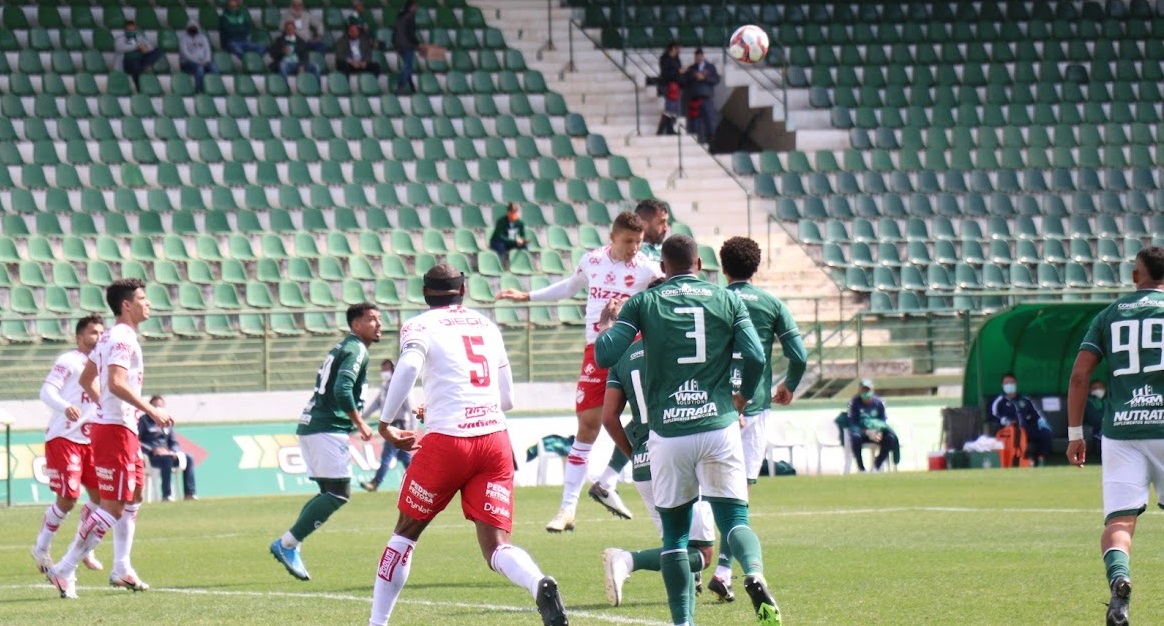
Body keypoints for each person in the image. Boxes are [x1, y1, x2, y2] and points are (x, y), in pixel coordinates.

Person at [594, 234, 780, 626]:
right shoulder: (726, 299)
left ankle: (683, 622)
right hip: (718, 424)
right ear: (699, 265)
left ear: (663, 268)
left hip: (669, 434)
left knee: (675, 539)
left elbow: (606, 354)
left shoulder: (645, 302)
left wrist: (610, 324)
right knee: (735, 522)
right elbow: (758, 355)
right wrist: (743, 397)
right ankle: (754, 573)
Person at [369, 264, 568, 626]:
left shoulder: (419, 325)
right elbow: (507, 397)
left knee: (405, 534)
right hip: (494, 442)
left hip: (448, 442)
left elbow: (410, 365)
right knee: (496, 546)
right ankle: (538, 582)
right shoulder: (486, 325)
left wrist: (385, 421)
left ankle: (377, 623)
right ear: (463, 291)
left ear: (425, 294)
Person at [497, 212, 662, 532]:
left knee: (647, 418)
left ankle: (622, 484)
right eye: (629, 241)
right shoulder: (592, 261)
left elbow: (662, 295)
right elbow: (569, 287)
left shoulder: (646, 268)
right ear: (613, 237)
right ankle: (567, 510)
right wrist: (528, 296)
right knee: (588, 424)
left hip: (635, 350)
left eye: (639, 242)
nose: (634, 248)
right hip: (598, 348)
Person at [47, 279, 174, 599]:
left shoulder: (110, 337)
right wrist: (150, 411)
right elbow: (116, 383)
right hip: (116, 430)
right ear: (126, 305)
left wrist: (104, 406)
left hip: (119, 427)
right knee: (113, 506)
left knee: (133, 495)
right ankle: (64, 568)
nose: (149, 304)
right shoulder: (120, 338)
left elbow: (90, 378)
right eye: (143, 298)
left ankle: (121, 567)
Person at [599, 278, 719, 607]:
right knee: (702, 553)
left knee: (675, 542)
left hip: (643, 465)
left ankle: (680, 585)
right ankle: (628, 561)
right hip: (681, 453)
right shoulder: (679, 349)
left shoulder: (623, 355)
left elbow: (609, 416)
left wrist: (634, 453)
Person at [1066, 245, 1164, 626]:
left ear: (1135, 276)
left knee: (1119, 524)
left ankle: (1120, 578)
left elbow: (1079, 375)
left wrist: (1076, 434)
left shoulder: (1108, 315)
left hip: (1122, 432)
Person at [712, 236, 808, 598]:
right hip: (752, 406)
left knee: (706, 488)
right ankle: (723, 570)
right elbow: (798, 354)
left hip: (714, 407)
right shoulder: (771, 304)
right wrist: (789, 385)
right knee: (740, 493)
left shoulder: (715, 299)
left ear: (723, 267)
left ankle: (700, 561)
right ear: (756, 267)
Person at [269, 303, 381, 581]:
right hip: (327, 427)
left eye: (379, 319)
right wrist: (360, 422)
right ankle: (287, 543)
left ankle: (290, 544)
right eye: (372, 319)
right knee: (338, 493)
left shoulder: (344, 347)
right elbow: (343, 388)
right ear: (356, 325)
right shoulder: (357, 349)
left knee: (328, 493)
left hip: (313, 425)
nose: (379, 324)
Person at [587, 199, 672, 515]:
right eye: (662, 221)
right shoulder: (650, 264)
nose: (665, 227)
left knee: (640, 415)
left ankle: (608, 478)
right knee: (651, 413)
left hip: (623, 344)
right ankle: (612, 477)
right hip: (640, 344)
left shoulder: (648, 261)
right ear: (645, 221)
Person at [32, 315, 106, 576]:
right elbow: (46, 392)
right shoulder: (69, 361)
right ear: (79, 337)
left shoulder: (104, 364)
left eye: (101, 332)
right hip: (65, 438)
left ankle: (83, 547)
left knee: (101, 498)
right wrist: (66, 407)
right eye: (93, 333)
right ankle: (41, 547)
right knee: (68, 498)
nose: (98, 337)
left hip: (92, 441)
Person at [360, 359, 413, 492]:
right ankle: (420, 482)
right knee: (405, 458)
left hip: (399, 426)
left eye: (386, 369)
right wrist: (360, 419)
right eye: (382, 370)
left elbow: (411, 410)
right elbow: (375, 404)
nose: (384, 372)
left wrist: (412, 430)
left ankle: (375, 483)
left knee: (387, 455)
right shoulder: (384, 388)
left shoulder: (400, 387)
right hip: (388, 425)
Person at [138, 395, 197, 502]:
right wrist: (153, 449)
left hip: (168, 454)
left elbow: (173, 442)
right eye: (155, 406)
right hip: (152, 457)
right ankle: (167, 495)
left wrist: (174, 451)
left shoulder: (166, 421)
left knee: (189, 458)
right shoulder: (143, 421)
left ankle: (190, 493)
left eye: (160, 406)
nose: (158, 408)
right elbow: (137, 441)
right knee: (167, 460)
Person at [989, 372, 1053, 466]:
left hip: (1025, 429)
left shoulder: (1024, 400)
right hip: (1010, 431)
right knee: (1017, 436)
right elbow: (993, 415)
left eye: (1011, 382)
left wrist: (1041, 422)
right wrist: (1004, 420)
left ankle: (1040, 459)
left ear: (1016, 384)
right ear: (1002, 385)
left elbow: (1035, 414)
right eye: (1007, 383)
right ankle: (1021, 461)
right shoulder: (999, 401)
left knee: (1045, 433)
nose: (1009, 385)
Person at [846, 379, 901, 472]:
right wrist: (866, 431)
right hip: (862, 433)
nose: (866, 392)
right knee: (855, 438)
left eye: (868, 390)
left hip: (876, 433)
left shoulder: (879, 403)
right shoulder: (854, 403)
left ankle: (877, 465)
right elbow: (853, 422)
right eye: (863, 390)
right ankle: (861, 468)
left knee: (890, 438)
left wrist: (878, 431)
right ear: (859, 391)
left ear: (872, 390)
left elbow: (883, 421)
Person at [112, 20, 163, 92]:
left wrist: (145, 49)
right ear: (125, 30)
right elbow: (119, 47)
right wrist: (136, 46)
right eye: (129, 30)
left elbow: (150, 47)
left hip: (140, 60)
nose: (131, 31)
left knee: (158, 51)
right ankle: (140, 89)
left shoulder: (139, 38)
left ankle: (145, 66)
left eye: (132, 29)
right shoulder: (120, 39)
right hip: (127, 62)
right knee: (136, 67)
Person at [683, 48, 719, 145]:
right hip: (694, 99)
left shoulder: (710, 67)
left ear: (703, 57)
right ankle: (695, 141)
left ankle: (710, 142)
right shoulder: (691, 68)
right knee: (695, 122)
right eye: (696, 57)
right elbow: (685, 80)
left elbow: (716, 80)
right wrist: (694, 76)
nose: (698, 59)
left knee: (709, 121)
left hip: (706, 98)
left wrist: (705, 77)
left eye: (700, 57)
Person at [178, 21, 220, 94]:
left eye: (195, 27)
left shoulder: (203, 38)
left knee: (214, 68)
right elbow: (185, 54)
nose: (193, 29)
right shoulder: (183, 39)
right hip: (188, 63)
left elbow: (207, 51)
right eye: (191, 27)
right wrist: (198, 63)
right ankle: (199, 89)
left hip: (203, 62)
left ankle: (213, 88)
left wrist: (206, 61)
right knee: (199, 69)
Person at [656, 42, 685, 135]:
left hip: (676, 86)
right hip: (667, 85)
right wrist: (678, 71)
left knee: (673, 109)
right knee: (669, 108)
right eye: (678, 48)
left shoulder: (677, 59)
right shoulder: (665, 59)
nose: (679, 50)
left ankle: (670, 128)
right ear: (673, 48)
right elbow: (666, 73)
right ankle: (662, 129)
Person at [392, 0, 420, 94]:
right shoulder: (410, 17)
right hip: (407, 45)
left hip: (399, 44)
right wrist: (417, 44)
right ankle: (400, 86)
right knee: (408, 67)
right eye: (415, 6)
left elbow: (395, 31)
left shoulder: (400, 17)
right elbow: (410, 34)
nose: (416, 8)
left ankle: (412, 87)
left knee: (408, 66)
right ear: (411, 7)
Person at [1084, 379, 1106, 459]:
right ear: (1090, 390)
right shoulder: (1087, 401)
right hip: (1092, 427)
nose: (1098, 390)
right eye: (1095, 388)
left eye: (1100, 388)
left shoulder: (1109, 400)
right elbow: (1092, 417)